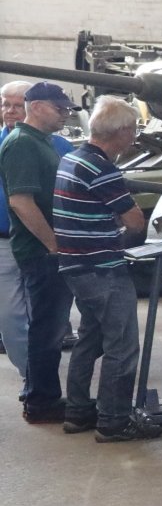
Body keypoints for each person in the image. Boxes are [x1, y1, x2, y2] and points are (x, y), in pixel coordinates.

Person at [55, 97, 162, 442]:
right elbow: (135, 220)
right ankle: (113, 421)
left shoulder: (72, 157)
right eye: (133, 131)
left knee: (90, 338)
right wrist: (117, 228)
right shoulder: (102, 169)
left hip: (76, 266)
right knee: (123, 346)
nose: (134, 138)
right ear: (123, 132)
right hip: (102, 269)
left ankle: (77, 412)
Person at [0, 82, 77, 421]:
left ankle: (40, 394)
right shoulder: (22, 143)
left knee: (49, 327)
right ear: (39, 107)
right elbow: (20, 201)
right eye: (60, 108)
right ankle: (41, 401)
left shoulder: (42, 141)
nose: (65, 115)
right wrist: (53, 244)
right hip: (40, 251)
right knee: (43, 329)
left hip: (43, 249)